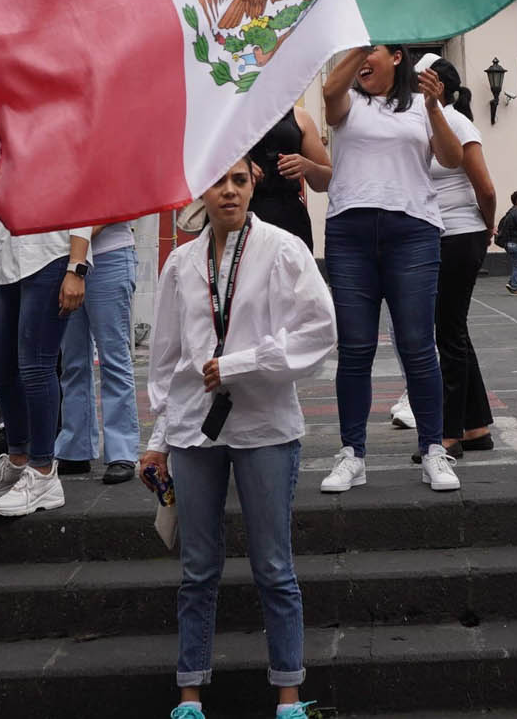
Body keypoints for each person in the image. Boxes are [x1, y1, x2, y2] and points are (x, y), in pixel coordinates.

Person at [140, 152, 335, 719]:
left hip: (265, 425)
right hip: (195, 429)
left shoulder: (283, 250)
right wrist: (159, 436)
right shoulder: (180, 262)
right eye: (218, 181)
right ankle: (191, 694)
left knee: (274, 565)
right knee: (197, 566)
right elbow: (168, 360)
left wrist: (240, 363)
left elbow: (319, 330)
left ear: (255, 185)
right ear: (201, 191)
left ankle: (289, 695)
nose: (228, 191)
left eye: (239, 180)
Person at [319, 44, 464, 494]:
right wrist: (362, 40)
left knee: (419, 345)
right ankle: (352, 454)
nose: (362, 61)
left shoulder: (422, 104)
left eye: (373, 51)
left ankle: (433, 449)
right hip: (350, 233)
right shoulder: (348, 102)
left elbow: (452, 157)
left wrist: (436, 106)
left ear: (397, 57)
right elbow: (328, 91)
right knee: (356, 348)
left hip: (412, 231)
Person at [0, 116, 90, 515]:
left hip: (51, 256)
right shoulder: (13, 136)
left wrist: (77, 267)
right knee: (0, 366)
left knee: (36, 367)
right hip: (8, 258)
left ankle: (43, 471)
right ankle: (17, 458)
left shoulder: (68, 132)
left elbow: (85, 199)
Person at [417, 55, 497, 459]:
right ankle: (476, 426)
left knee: (446, 333)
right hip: (445, 234)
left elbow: (485, 186)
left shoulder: (457, 122)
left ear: (437, 88)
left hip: (458, 234)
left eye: (418, 82)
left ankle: (448, 434)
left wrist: (488, 228)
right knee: (453, 330)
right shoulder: (430, 123)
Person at [56, 206, 142, 484]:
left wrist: (75, 242)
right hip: (63, 259)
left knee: (114, 357)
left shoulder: (116, 160)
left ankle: (122, 451)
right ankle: (75, 447)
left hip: (109, 254)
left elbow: (123, 201)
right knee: (72, 360)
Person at [248, 102, 332, 253]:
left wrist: (307, 166)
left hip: (289, 215)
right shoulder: (227, 115)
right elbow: (200, 172)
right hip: (242, 214)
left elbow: (326, 181)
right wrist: (237, 168)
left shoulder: (299, 116)